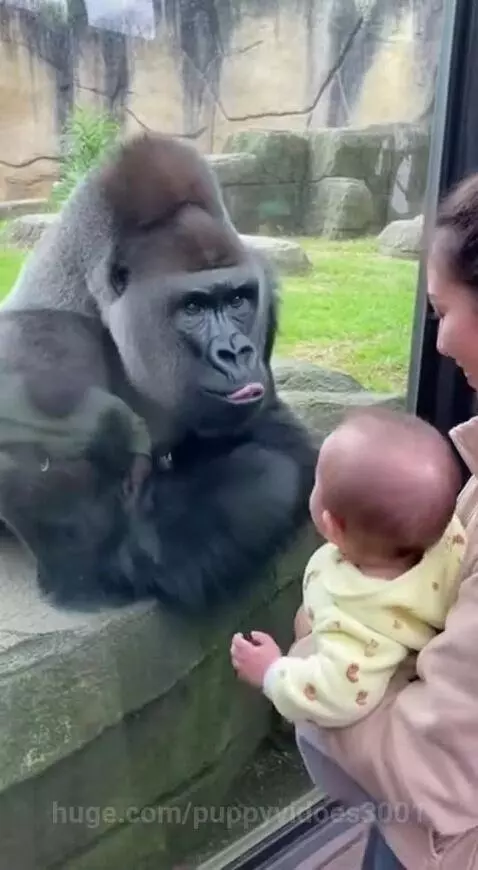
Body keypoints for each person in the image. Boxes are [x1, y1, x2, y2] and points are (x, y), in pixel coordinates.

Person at [230, 407, 465, 732]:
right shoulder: (445, 533)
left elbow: (336, 696)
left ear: (332, 527)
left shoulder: (357, 621)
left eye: (317, 482)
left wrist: (271, 671)